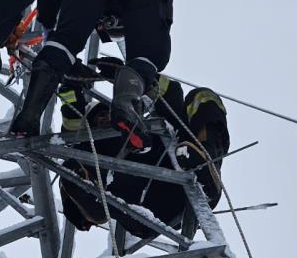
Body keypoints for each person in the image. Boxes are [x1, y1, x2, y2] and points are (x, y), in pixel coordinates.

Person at [10, 0, 173, 149]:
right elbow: (161, 14)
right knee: (149, 56)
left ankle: (29, 115)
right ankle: (126, 105)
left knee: (65, 41)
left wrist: (50, 31)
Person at [58, 74, 229, 239]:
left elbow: (170, 93)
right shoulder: (91, 150)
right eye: (97, 118)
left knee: (202, 97)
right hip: (142, 210)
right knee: (71, 169)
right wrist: (70, 85)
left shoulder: (149, 127)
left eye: (107, 112)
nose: (104, 119)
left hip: (185, 178)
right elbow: (72, 126)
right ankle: (94, 204)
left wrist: (132, 76)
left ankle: (206, 161)